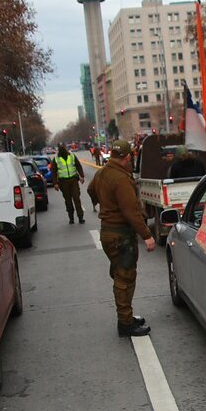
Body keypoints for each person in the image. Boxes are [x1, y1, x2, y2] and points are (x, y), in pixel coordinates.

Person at [87, 140, 155, 337]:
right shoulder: (120, 179)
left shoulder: (102, 173)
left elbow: (91, 191)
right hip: (120, 235)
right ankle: (125, 323)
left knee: (120, 273)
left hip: (108, 232)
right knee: (124, 278)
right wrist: (147, 236)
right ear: (127, 157)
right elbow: (131, 211)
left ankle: (126, 317)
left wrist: (105, 205)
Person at [53, 144, 86, 224]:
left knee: (76, 199)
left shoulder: (72, 155)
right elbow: (53, 171)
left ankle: (80, 217)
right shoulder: (56, 159)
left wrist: (81, 176)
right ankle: (71, 218)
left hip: (73, 180)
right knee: (68, 201)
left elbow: (78, 165)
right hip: (63, 182)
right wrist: (55, 183)